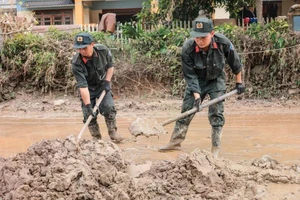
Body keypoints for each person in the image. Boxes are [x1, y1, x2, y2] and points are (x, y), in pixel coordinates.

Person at [158, 17, 245, 158]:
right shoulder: (188, 48)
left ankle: (215, 148)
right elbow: (189, 75)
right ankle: (175, 142)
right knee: (187, 109)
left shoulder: (223, 43)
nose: (199, 40)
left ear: (212, 33)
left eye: (203, 37)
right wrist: (197, 96)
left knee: (216, 112)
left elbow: (235, 62)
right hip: (197, 80)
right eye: (197, 37)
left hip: (216, 79)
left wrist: (239, 83)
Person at [71, 32, 124, 142]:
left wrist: (107, 82)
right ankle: (96, 137)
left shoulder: (103, 51)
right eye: (79, 49)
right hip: (87, 88)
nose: (81, 51)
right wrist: (88, 105)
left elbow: (110, 66)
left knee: (109, 107)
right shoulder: (76, 63)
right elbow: (82, 86)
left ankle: (112, 132)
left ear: (92, 44)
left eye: (84, 48)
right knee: (88, 115)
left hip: (101, 85)